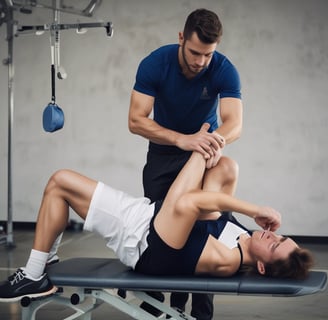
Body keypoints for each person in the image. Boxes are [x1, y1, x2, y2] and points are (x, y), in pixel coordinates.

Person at [0, 147, 313, 303]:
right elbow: (207, 192)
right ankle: (46, 259)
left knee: (59, 182)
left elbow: (188, 202)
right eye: (279, 236)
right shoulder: (244, 237)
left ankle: (33, 275)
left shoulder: (227, 259)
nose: (271, 235)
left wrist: (253, 207)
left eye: (273, 245)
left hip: (140, 239)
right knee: (228, 165)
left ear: (261, 268)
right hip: (149, 214)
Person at [128, 8, 242, 318]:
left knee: (208, 231)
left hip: (203, 154)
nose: (200, 62)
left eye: (207, 55)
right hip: (164, 154)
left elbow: (234, 122)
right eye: (195, 52)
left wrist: (213, 141)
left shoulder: (223, 68)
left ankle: (201, 312)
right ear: (181, 38)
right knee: (160, 234)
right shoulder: (155, 63)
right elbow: (136, 121)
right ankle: (156, 305)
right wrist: (182, 139)